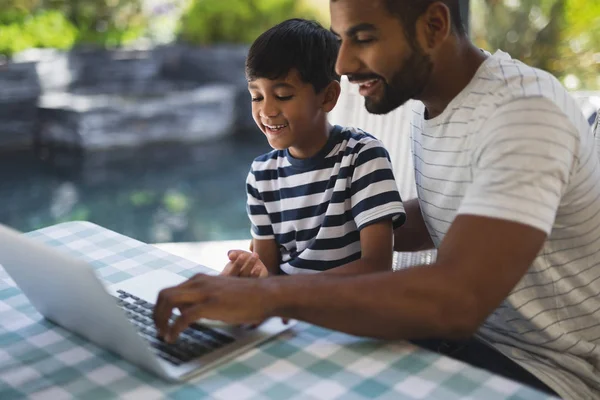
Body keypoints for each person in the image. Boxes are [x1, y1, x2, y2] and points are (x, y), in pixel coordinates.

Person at [154, 1, 600, 398]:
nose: (344, 64)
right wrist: (307, 236)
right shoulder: (435, 107)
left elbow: (456, 301)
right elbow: (457, 215)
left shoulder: (525, 110)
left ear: (434, 25)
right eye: (340, 40)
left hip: (545, 370)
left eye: (363, 38)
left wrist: (273, 293)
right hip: (463, 343)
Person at [221, 18, 405, 278]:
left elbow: (376, 267)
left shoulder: (362, 157)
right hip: (286, 312)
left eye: (283, 95)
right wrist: (249, 273)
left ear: (328, 96)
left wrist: (284, 292)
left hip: (348, 312)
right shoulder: (261, 175)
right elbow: (268, 272)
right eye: (257, 96)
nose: (267, 111)